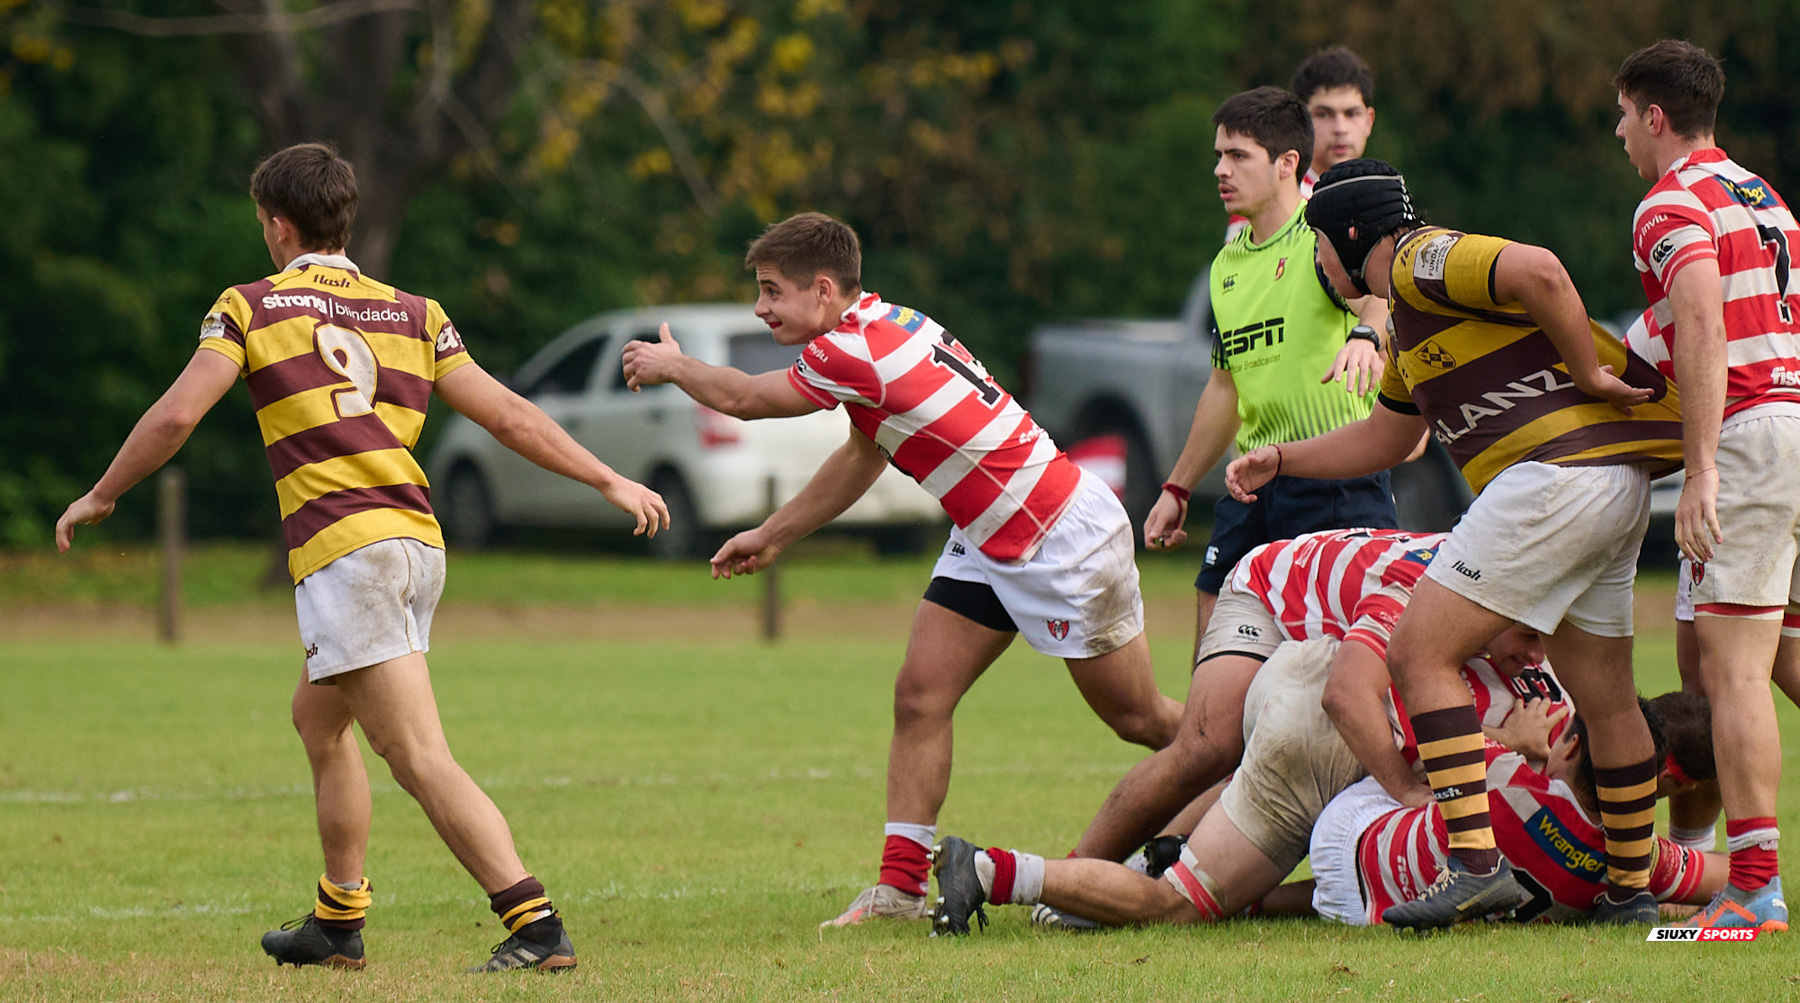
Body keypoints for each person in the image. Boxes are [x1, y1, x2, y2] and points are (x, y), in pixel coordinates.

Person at [54, 143, 670, 972]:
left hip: (350, 552)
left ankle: (536, 925)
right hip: (414, 541)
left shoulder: (252, 305)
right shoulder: (416, 311)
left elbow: (175, 416)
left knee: (417, 753)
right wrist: (605, 477)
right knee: (319, 717)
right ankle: (338, 920)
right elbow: (508, 413)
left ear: (277, 226)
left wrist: (103, 491)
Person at [619, 212, 1183, 928]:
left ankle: (1239, 774)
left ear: (823, 290)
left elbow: (744, 399)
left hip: (1056, 535)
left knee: (1139, 717)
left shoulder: (850, 350)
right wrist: (773, 533)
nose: (761, 308)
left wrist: (673, 367)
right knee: (920, 695)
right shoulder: (887, 323)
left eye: (772, 291)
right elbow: (865, 452)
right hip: (989, 531)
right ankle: (899, 891)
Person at [1226, 158, 1685, 927]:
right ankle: (1629, 891)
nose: (1316, 264)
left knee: (1414, 654)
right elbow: (1386, 435)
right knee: (1604, 693)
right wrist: (1283, 459)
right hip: (1613, 483)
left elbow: (1538, 270)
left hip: (1553, 476)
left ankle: (1474, 865)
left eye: (1318, 247)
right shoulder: (1409, 324)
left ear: (1348, 234)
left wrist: (1589, 374)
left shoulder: (1416, 262)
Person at [927, 624, 1554, 935]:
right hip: (1326, 735)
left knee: (1207, 770)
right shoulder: (1474, 645)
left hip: (1296, 664)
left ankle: (1138, 871)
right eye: (1527, 635)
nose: (1536, 656)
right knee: (1176, 907)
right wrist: (1510, 746)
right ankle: (990, 870)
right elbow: (1420, 755)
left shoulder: (1455, 585)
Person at [1070, 526, 1566, 861]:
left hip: (1343, 621)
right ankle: (1077, 870)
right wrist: (1408, 792)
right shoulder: (1424, 596)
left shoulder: (1500, 597)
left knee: (1302, 755)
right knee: (1209, 746)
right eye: (1527, 637)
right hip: (1268, 590)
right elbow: (1347, 695)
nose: (1538, 656)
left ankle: (1163, 856)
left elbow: (1422, 716)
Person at [1615, 38, 1800, 932]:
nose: (1617, 134)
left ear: (1655, 117)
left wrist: (1700, 470)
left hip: (1753, 438)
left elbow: (1698, 320)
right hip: (1795, 425)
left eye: (1622, 115)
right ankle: (1703, 870)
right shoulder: (1762, 194)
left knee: (1732, 673)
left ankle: (1754, 888)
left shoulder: (1667, 201)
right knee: (1766, 657)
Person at [1143, 87, 1398, 677]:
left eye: (1237, 156)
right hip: (1252, 482)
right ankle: (1214, 763)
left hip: (1334, 478)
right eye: (1218, 155)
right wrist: (1178, 488)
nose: (1220, 170)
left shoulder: (1323, 239)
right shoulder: (1227, 264)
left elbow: (1385, 290)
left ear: (1287, 164)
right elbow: (1225, 387)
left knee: (1346, 667)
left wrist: (1368, 335)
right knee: (1212, 637)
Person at [1312, 692, 1727, 925]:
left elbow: (1421, 736)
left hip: (1351, 839)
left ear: (1575, 744)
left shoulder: (1500, 772)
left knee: (1414, 777)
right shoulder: (1640, 857)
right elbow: (1729, 877)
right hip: (1368, 915)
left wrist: (1515, 739)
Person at [1223, 46, 1378, 239]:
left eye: (1351, 113)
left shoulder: (1382, 200)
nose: (1340, 128)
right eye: (1324, 114)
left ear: (1368, 121)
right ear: (1300, 122)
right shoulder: (1266, 197)